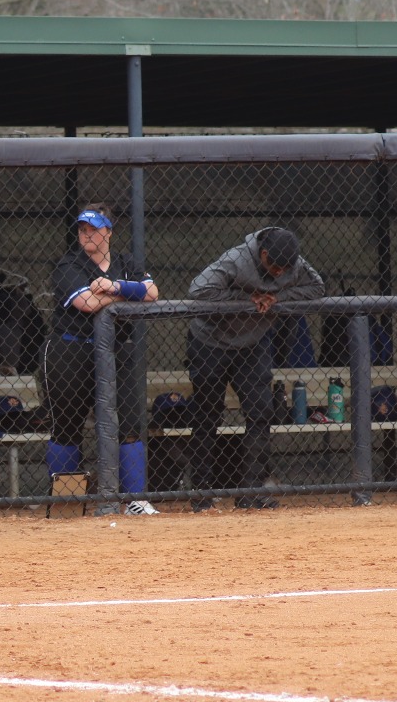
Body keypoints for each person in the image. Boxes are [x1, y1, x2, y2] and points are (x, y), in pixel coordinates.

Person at [186, 227, 325, 510]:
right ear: (263, 254)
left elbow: (317, 288)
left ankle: (251, 491)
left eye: (285, 269)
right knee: (208, 413)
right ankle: (201, 493)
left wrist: (278, 298)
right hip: (211, 341)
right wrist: (247, 299)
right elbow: (198, 290)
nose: (279, 273)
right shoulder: (236, 259)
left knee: (261, 410)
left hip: (252, 344)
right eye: (274, 266)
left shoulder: (295, 265)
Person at [42, 204, 159, 514]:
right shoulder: (69, 264)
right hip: (72, 350)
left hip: (118, 350)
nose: (87, 234)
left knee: (130, 424)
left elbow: (152, 292)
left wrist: (115, 286)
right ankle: (66, 502)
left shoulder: (124, 262)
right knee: (67, 425)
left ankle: (135, 500)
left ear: (108, 231)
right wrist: (126, 294)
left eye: (93, 228)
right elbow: (88, 304)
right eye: (82, 229)